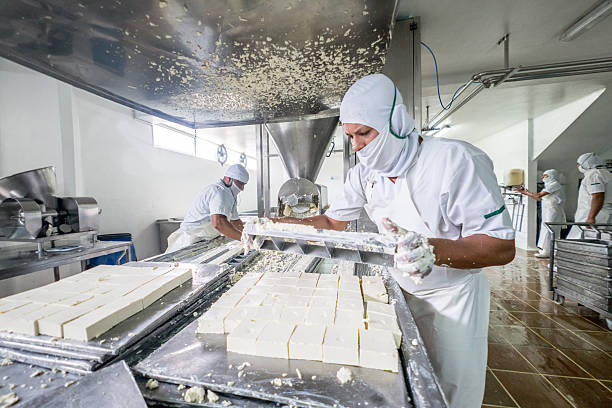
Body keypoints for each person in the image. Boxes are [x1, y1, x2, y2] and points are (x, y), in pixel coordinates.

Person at [266, 74, 516, 407]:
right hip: (398, 291)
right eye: (350, 136)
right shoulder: (364, 174)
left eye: (365, 134)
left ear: (396, 122)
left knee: (450, 391)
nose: (356, 146)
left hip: (451, 298)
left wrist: (431, 250)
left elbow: (501, 246)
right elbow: (330, 222)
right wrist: (281, 226)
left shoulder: (456, 161)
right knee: (404, 388)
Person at [166, 164, 248, 253]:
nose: (242, 188)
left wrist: (250, 235)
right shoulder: (218, 191)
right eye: (240, 184)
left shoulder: (232, 195)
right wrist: (244, 238)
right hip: (189, 241)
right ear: (229, 179)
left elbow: (235, 221)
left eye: (244, 185)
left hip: (205, 240)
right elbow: (219, 223)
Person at [515, 169, 566, 258]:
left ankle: (551, 251)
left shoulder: (555, 184)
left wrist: (527, 192)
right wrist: (525, 193)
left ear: (552, 176)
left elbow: (538, 195)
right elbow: (539, 198)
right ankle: (546, 250)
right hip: (548, 211)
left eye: (545, 176)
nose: (543, 177)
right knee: (545, 229)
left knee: (550, 230)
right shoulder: (549, 186)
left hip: (554, 211)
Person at [567, 152, 612, 239]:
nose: (578, 166)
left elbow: (598, 195)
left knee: (584, 241)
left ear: (586, 163)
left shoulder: (594, 174)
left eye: (579, 164)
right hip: (605, 213)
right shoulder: (607, 174)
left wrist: (591, 217)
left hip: (596, 214)